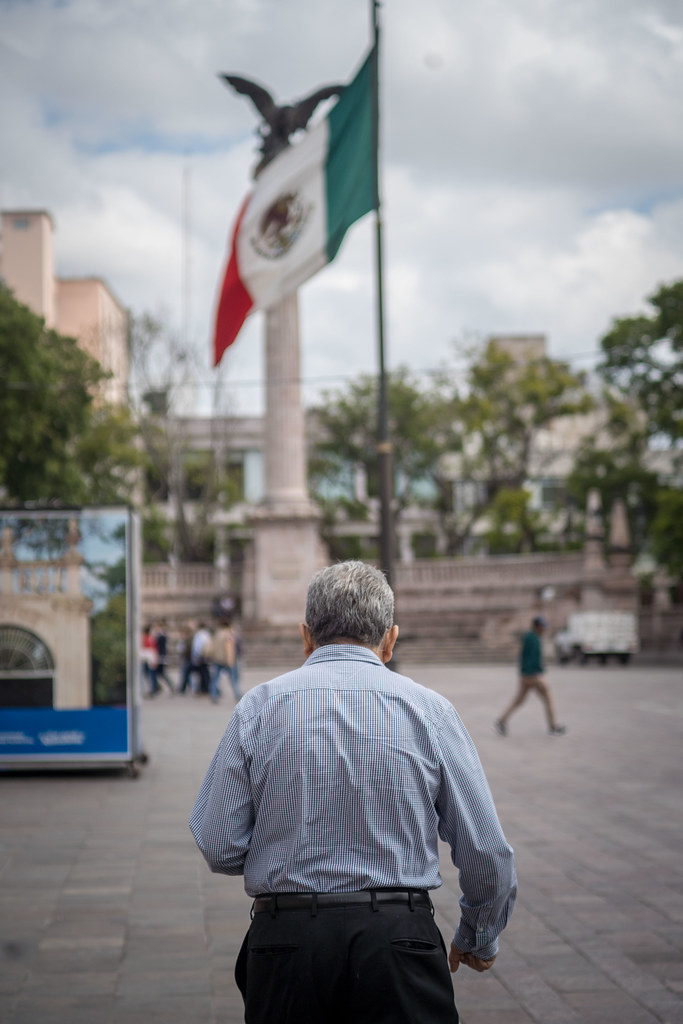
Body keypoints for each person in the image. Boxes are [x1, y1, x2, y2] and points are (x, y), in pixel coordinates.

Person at [190, 560, 516, 1024]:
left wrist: (286, 847)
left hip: (286, 941)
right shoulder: (430, 710)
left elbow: (219, 845)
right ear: (390, 640)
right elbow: (486, 850)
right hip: (399, 941)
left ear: (306, 637)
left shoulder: (258, 708)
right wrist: (478, 934)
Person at [495, 615, 566, 736]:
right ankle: (553, 726)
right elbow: (532, 659)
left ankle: (502, 721)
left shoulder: (530, 637)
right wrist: (535, 672)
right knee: (548, 697)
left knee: (518, 701)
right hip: (532, 676)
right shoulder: (533, 639)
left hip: (526, 675)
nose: (544, 629)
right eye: (543, 626)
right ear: (538, 626)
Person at [208, 616, 242, 704]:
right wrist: (231, 660)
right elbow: (230, 648)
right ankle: (237, 694)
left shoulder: (217, 634)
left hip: (217, 659)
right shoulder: (229, 634)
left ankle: (213, 695)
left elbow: (212, 647)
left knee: (215, 679)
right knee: (233, 678)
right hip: (228, 660)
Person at [152, 620, 174, 694]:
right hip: (161, 655)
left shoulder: (161, 635)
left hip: (161, 656)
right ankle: (157, 687)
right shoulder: (160, 635)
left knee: (160, 673)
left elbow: (160, 647)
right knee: (159, 673)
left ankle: (168, 686)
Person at [140, 624, 159, 697]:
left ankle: (152, 689)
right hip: (147, 658)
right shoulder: (147, 638)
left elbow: (152, 649)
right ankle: (151, 688)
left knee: (150, 675)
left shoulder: (148, 638)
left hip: (148, 659)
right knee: (149, 675)